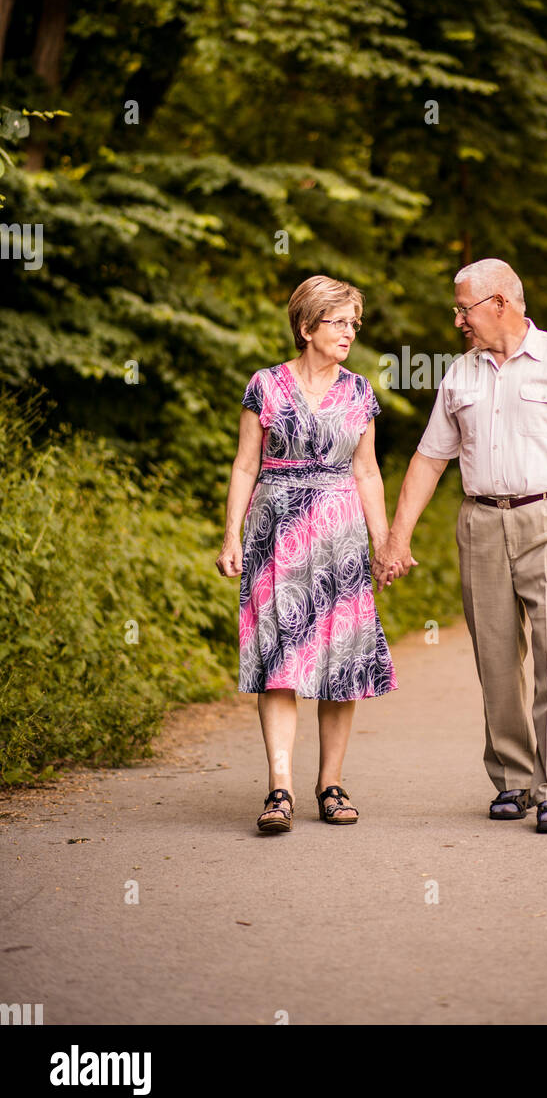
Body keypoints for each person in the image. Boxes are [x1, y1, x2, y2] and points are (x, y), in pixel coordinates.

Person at [374, 259, 547, 836]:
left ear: (499, 303)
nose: (458, 321)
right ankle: (514, 779)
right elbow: (429, 459)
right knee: (494, 658)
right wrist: (397, 537)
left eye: (463, 309)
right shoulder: (459, 375)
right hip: (482, 523)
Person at [216, 275, 397, 833]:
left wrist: (385, 542)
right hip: (276, 534)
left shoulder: (360, 392)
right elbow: (245, 464)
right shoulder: (265, 386)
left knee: (341, 661)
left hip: (341, 538)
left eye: (353, 323)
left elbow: (367, 471)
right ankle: (280, 789)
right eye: (338, 322)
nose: (349, 332)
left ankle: (331, 784)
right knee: (278, 661)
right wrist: (230, 534)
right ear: (306, 326)